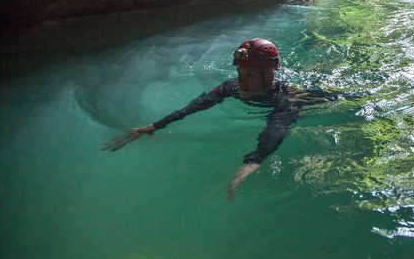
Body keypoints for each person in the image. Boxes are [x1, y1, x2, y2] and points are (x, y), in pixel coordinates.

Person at [102, 38, 309, 201]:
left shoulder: (288, 97)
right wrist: (156, 125)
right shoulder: (233, 87)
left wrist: (253, 162)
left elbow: (277, 128)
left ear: (270, 75)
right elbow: (198, 104)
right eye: (239, 72)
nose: (241, 81)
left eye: (249, 75)